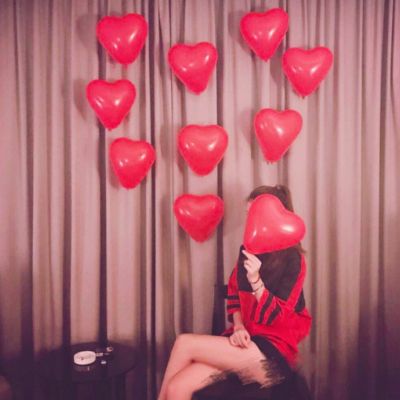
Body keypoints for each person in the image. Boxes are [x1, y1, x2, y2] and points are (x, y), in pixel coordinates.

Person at [157, 185, 312, 400]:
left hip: (273, 356)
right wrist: (238, 326)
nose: (250, 222)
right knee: (177, 387)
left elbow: (278, 317)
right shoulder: (247, 250)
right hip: (245, 342)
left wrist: (256, 280)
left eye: (255, 215)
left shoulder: (293, 260)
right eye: (249, 215)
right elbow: (233, 294)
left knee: (184, 343)